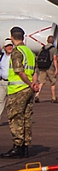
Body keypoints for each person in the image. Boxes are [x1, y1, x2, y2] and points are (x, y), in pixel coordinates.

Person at [2, 27, 40, 158]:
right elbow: (35, 70)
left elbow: (19, 71)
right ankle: (25, 146)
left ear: (12, 37)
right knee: (26, 118)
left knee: (15, 118)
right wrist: (34, 84)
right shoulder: (29, 52)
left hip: (18, 90)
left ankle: (17, 146)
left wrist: (30, 83)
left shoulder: (17, 52)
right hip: (29, 90)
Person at [35, 35, 58, 103]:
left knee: (41, 82)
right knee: (52, 82)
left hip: (42, 67)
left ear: (47, 41)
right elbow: (54, 59)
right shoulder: (54, 49)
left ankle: (37, 95)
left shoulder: (42, 48)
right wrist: (56, 68)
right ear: (53, 41)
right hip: (50, 67)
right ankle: (53, 97)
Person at [0, 39, 12, 124]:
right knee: (0, 101)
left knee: (11, 103)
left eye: (10, 45)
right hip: (2, 82)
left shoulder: (14, 56)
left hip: (12, 83)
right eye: (7, 46)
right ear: (4, 47)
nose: (9, 47)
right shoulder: (2, 57)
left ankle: (13, 121)